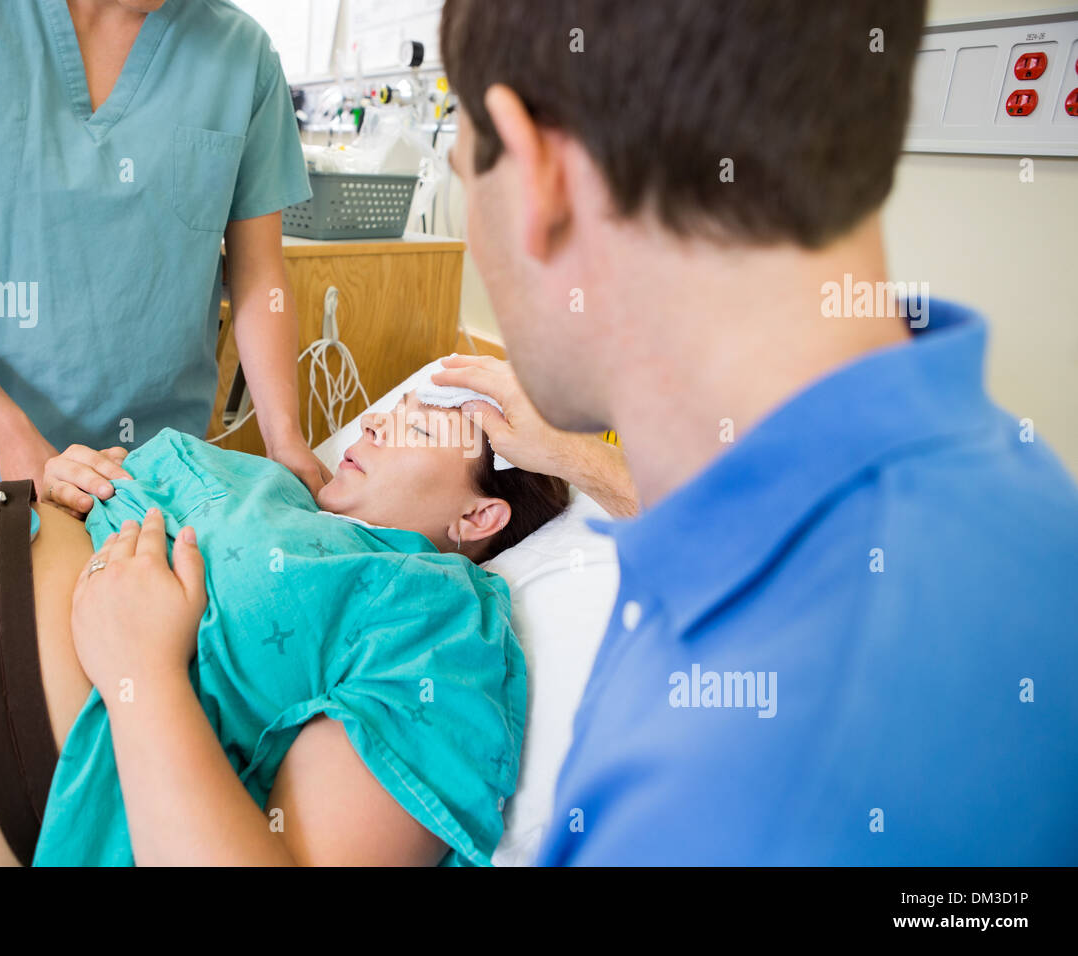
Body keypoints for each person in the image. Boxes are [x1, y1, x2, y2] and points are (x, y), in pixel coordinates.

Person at [430, 0, 1078, 863]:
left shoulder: (720, 804)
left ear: (540, 171)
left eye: (464, 172)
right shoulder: (1008, 478)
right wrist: (576, 457)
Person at [0, 396, 569, 866]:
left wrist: (143, 676)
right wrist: (61, 492)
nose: (383, 419)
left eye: (425, 427)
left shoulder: (442, 625)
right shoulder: (268, 488)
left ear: (480, 515)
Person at [0, 0, 330, 499]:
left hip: (155, 469)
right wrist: (11, 435)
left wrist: (283, 437)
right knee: (3, 579)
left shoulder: (240, 53)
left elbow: (260, 275)